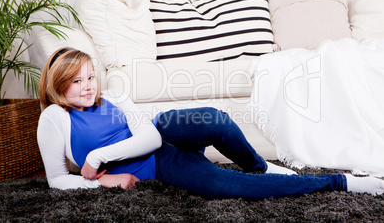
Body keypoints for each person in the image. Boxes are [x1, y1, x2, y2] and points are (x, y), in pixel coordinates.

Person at [37, 47, 384, 200]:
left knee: (215, 119)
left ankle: (260, 167)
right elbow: (57, 180)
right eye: (77, 81)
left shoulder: (115, 96)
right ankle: (342, 184)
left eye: (91, 77)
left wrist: (98, 158)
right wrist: (105, 183)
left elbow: (151, 137)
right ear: (58, 84)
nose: (88, 86)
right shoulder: (54, 119)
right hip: (160, 165)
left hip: (162, 131)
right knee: (223, 186)